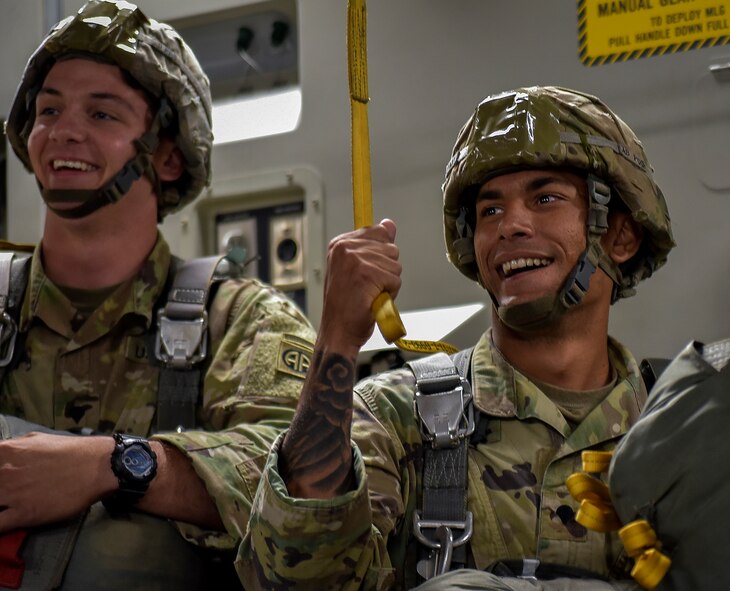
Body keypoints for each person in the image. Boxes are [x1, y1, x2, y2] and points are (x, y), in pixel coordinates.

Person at [236, 85, 675, 590]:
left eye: (545, 198)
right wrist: (336, 340)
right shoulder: (394, 418)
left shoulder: (679, 420)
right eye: (490, 211)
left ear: (620, 236)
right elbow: (296, 578)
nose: (510, 225)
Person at [0, 1, 315, 588]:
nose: (65, 130)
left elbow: (301, 481)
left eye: (102, 113)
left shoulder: (242, 322)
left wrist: (115, 467)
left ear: (167, 157)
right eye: (49, 110)